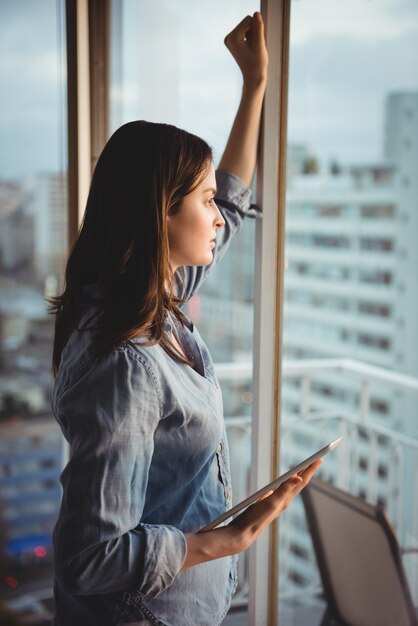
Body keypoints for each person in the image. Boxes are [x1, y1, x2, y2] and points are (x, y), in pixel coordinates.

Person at [50, 12, 321, 626]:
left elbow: (229, 194)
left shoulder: (150, 298)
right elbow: (89, 557)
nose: (220, 217)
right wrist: (221, 542)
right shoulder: (127, 358)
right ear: (160, 217)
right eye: (201, 202)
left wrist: (254, 86)